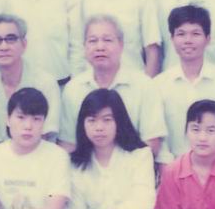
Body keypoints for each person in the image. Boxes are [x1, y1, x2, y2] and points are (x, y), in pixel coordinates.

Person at [154, 6, 215, 164]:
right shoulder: (159, 85)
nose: (188, 40)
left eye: (196, 34)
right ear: (171, 39)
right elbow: (161, 146)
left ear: (208, 39)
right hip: (176, 169)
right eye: (181, 34)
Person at [58, 15, 166, 157]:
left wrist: (118, 167)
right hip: (86, 168)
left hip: (134, 167)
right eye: (93, 41)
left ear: (121, 45)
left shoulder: (144, 86)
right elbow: (68, 144)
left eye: (107, 40)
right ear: (84, 46)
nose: (100, 47)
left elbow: (152, 143)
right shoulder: (73, 89)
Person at [0, 13, 60, 150]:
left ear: (24, 44)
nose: (4, 47)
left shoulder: (46, 84)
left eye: (11, 39)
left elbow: (47, 142)